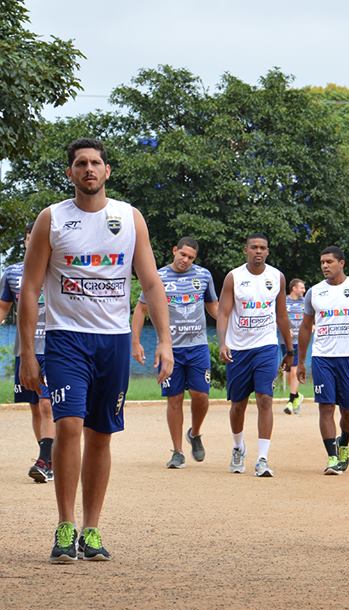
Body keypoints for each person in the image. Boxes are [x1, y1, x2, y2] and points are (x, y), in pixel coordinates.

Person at [18, 137, 174, 562]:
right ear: (70, 173)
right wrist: (28, 352)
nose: (89, 169)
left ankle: (91, 529)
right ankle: (65, 526)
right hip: (66, 338)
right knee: (68, 426)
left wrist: (164, 340)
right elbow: (30, 289)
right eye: (80, 163)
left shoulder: (129, 217)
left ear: (107, 171)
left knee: (101, 435)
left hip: (114, 341)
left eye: (96, 163)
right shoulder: (52, 219)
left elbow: (152, 282)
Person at [131, 237, 218, 469]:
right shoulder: (158, 277)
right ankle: (178, 451)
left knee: (201, 395)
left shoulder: (204, 276)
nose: (185, 260)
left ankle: (195, 433)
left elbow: (214, 307)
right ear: (174, 250)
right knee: (175, 398)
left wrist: (231, 326)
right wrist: (135, 341)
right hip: (170, 350)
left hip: (198, 346)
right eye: (183, 255)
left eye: (190, 257)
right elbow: (141, 309)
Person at [216, 233, 293, 478]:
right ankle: (238, 447)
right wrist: (223, 342)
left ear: (268, 251)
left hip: (266, 347)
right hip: (239, 348)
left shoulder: (276, 277)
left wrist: (289, 349)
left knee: (265, 399)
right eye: (253, 247)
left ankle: (262, 458)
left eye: (262, 248)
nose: (258, 251)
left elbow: (282, 316)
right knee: (238, 405)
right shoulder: (234, 278)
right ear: (245, 250)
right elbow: (223, 313)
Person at [0, 221, 55, 482]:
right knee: (35, 407)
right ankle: (48, 458)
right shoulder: (12, 273)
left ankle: (46, 459)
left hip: (56, 348)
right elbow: (3, 307)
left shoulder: (57, 269)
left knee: (47, 404)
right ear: (25, 240)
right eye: (31, 239)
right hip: (26, 350)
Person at [297, 246, 349, 475]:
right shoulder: (314, 292)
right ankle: (333, 457)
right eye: (322, 262)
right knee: (325, 407)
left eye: (329, 261)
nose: (325, 265)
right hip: (322, 357)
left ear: (341, 263)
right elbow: (305, 327)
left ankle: (344, 442)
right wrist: (301, 361)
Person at [283, 278, 307, 415]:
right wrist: (286, 330)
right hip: (285, 342)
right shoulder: (283, 302)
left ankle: (291, 402)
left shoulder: (305, 302)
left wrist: (312, 325)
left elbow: (311, 317)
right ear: (294, 288)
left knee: (293, 371)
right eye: (301, 288)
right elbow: (277, 318)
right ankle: (297, 396)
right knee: (287, 372)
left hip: (300, 342)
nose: (304, 290)